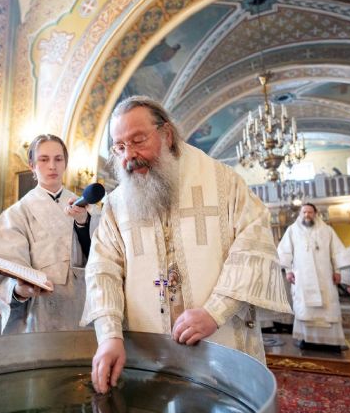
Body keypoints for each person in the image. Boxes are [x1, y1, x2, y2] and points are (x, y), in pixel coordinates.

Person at [83, 96, 291, 394]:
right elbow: (102, 270)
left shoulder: (224, 183)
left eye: (138, 140)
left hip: (219, 348)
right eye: (119, 147)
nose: (129, 155)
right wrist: (109, 336)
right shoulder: (116, 206)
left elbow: (254, 248)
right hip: (148, 355)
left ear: (166, 134)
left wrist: (215, 311)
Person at [0, 134, 98, 333]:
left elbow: (103, 252)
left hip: (86, 307)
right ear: (32, 166)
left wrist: (83, 223)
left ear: (65, 164)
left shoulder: (88, 208)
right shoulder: (16, 214)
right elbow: (3, 266)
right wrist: (19, 290)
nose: (52, 166)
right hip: (41, 312)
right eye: (44, 159)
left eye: (58, 159)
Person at [277, 203, 347, 351]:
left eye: (310, 212)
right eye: (304, 212)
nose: (307, 215)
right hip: (302, 277)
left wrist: (338, 271)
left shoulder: (327, 230)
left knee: (328, 306)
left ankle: (332, 342)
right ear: (300, 214)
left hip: (325, 277)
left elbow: (336, 252)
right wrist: (289, 270)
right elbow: (285, 253)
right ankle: (307, 339)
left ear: (315, 214)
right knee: (305, 308)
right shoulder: (292, 230)